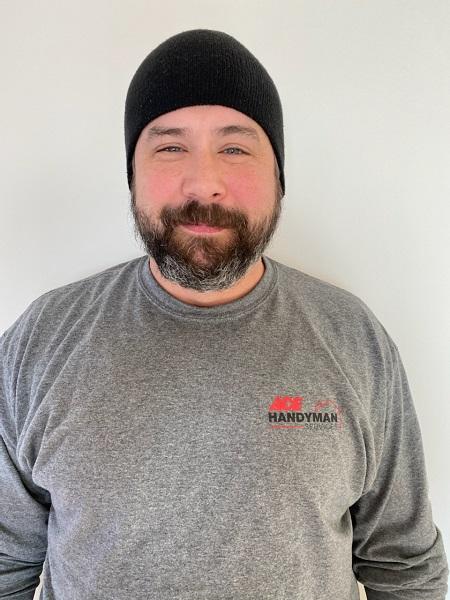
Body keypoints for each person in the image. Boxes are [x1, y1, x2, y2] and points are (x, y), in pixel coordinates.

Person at [0, 28, 448, 600]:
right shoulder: (42, 340)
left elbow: (404, 568)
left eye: (235, 148)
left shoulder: (353, 338)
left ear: (279, 177)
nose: (204, 183)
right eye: (169, 147)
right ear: (132, 175)